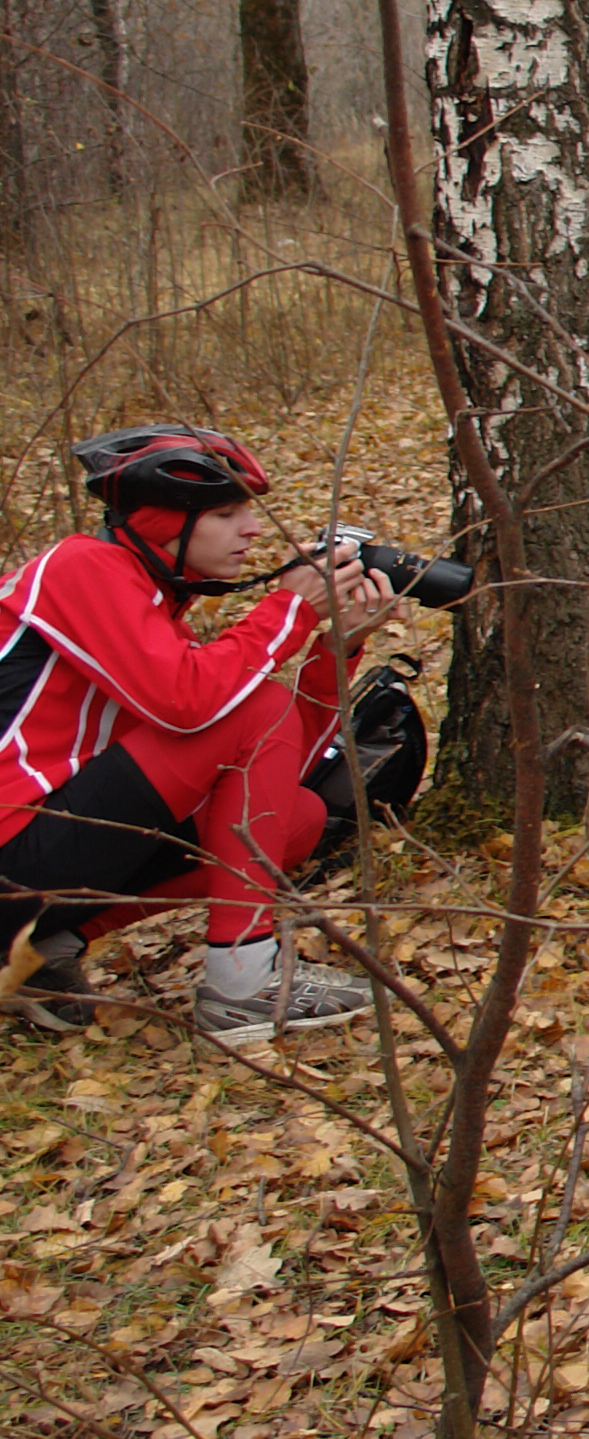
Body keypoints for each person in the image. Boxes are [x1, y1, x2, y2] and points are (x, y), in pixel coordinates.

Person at [0, 426, 406, 1049]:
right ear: (162, 523)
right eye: (225, 513)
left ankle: (41, 955)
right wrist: (289, 610)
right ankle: (245, 982)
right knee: (256, 702)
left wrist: (336, 647)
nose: (253, 530)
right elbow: (190, 703)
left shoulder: (155, 612)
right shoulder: (80, 566)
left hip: (32, 862)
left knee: (297, 818)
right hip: (14, 845)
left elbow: (274, 773)